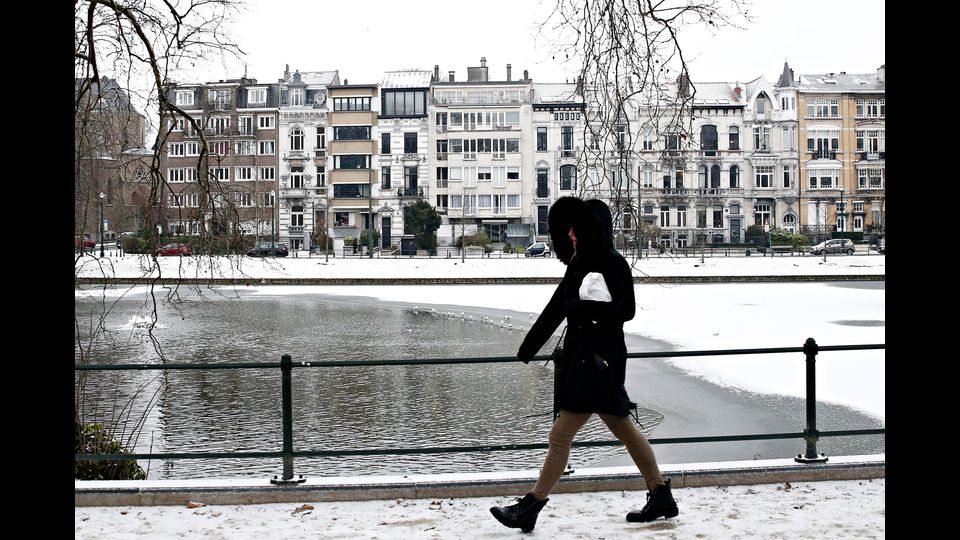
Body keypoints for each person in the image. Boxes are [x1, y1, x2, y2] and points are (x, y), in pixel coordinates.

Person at [490, 196, 678, 532]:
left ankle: (532, 505)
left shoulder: (613, 262)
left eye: (576, 230)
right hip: (586, 362)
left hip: (599, 363)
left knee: (561, 435)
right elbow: (556, 306)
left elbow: (626, 309)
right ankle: (660, 494)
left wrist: (585, 310)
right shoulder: (577, 263)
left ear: (591, 230)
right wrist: (529, 346)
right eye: (569, 230)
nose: (571, 235)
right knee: (624, 430)